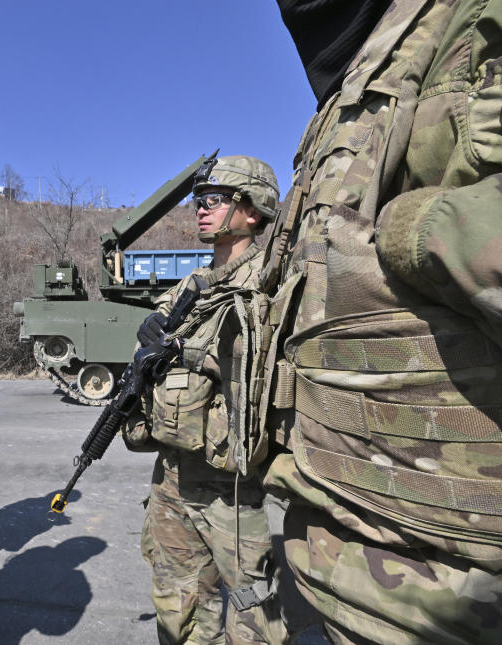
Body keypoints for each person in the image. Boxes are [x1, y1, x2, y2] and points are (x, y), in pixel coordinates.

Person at [256, 1, 502, 643]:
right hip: (346, 555)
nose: (204, 213)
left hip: (458, 591)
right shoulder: (369, 65)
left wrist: (423, 230)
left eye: (217, 201)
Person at [124, 156, 288, 645]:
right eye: (199, 201)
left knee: (253, 614)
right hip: (173, 474)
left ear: (252, 210)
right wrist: (148, 342)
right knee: (179, 603)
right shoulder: (189, 288)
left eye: (214, 200)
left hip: (236, 487)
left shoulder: (273, 281)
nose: (201, 209)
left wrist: (192, 353)